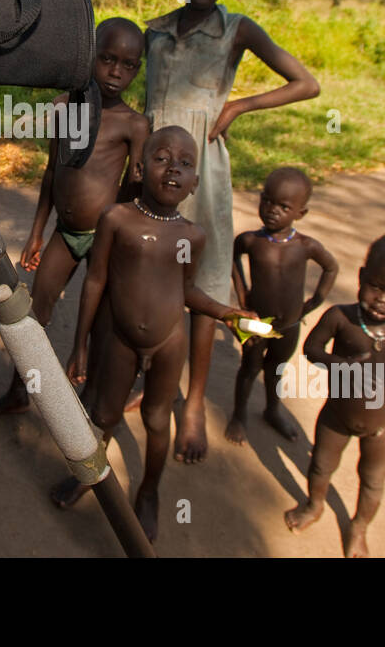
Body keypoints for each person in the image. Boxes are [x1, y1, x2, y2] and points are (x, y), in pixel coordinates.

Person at [145, 0, 320, 464]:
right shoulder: (155, 30)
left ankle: (194, 404)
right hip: (152, 163)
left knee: (205, 283)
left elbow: (306, 83)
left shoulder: (237, 30)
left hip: (203, 169)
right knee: (148, 277)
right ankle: (149, 385)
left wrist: (240, 105)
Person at [51, 126, 255, 541]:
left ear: (195, 182)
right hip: (121, 340)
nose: (173, 169)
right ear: (141, 169)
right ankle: (91, 474)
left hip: (168, 341)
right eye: (163, 158)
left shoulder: (191, 236)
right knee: (104, 415)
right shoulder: (117, 218)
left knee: (157, 420)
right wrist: (81, 347)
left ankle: (148, 492)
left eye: (185, 163)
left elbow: (186, 291)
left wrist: (226, 312)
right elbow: (95, 282)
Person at [0, 18, 149, 423]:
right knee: (34, 314)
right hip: (65, 235)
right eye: (107, 59)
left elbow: (134, 191)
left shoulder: (134, 124)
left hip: (107, 239)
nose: (117, 72)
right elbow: (53, 172)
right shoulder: (64, 108)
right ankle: (18, 392)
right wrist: (37, 233)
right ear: (89, 56)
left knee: (104, 325)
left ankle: (92, 406)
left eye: (128, 65)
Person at [284, 236, 385, 557]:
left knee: (373, 481)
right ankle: (314, 504)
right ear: (361, 277)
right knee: (321, 466)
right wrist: (342, 365)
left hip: (382, 427)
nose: (382, 300)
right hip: (336, 417)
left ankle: (359, 527)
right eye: (376, 287)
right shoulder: (340, 318)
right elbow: (311, 350)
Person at [226, 167, 337, 443]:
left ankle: (273, 410)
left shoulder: (305, 246)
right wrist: (242, 297)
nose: (272, 210)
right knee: (250, 367)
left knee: (277, 367)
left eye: (284, 206)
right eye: (267, 201)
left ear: (300, 213)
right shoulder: (252, 241)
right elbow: (232, 258)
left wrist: (315, 301)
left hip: (289, 323)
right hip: (257, 320)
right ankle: (239, 414)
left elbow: (331, 267)